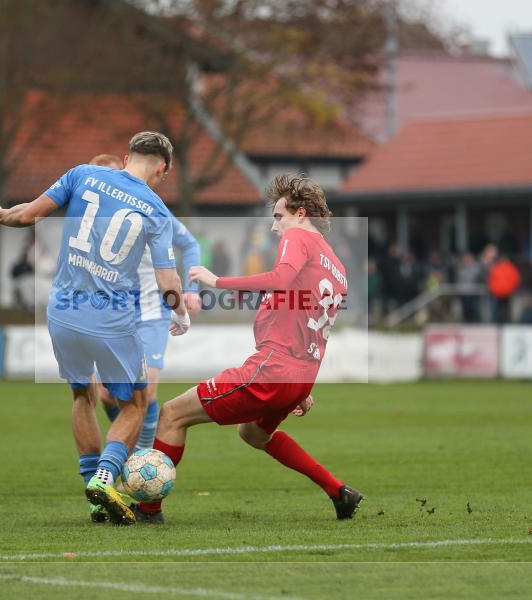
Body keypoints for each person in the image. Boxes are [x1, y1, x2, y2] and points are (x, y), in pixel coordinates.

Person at [0, 131, 190, 526]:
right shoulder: (156, 209)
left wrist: (0, 215)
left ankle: (95, 496)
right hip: (112, 318)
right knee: (135, 404)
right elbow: (168, 282)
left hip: (63, 311)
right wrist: (180, 313)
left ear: (126, 154)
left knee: (81, 393)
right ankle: (105, 476)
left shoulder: (82, 174)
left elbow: (28, 215)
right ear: (163, 168)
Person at [131, 174, 362, 524]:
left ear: (301, 214)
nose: (274, 227)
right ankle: (338, 491)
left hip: (274, 369)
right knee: (253, 432)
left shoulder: (298, 236)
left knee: (172, 414)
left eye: (278, 216)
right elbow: (314, 325)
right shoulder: (338, 268)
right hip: (300, 374)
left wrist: (216, 281)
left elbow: (281, 280)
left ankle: (148, 511)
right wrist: (301, 388)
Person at [86, 152, 203, 454]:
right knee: (108, 396)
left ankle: (143, 458)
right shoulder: (89, 217)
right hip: (111, 314)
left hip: (151, 312)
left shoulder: (149, 207)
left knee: (147, 390)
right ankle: (132, 444)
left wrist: (189, 289)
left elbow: (189, 243)